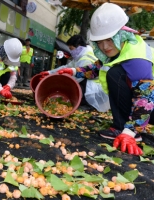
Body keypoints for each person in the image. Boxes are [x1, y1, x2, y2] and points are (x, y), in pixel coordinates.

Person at [57, 3, 154, 155]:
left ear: (121, 33)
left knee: (115, 74)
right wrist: (73, 71)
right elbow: (96, 68)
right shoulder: (121, 49)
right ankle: (125, 126)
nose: (104, 46)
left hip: (149, 107)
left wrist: (130, 133)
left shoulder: (137, 59)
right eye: (99, 42)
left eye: (109, 39)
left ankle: (126, 128)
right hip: (145, 107)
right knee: (113, 71)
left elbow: (146, 100)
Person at [39, 35, 108, 110]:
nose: (71, 51)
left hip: (95, 90)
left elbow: (76, 79)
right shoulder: (79, 57)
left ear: (79, 46)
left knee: (78, 84)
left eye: (71, 49)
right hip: (88, 82)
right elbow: (66, 67)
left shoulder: (86, 58)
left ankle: (87, 105)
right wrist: (50, 73)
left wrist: (57, 83)